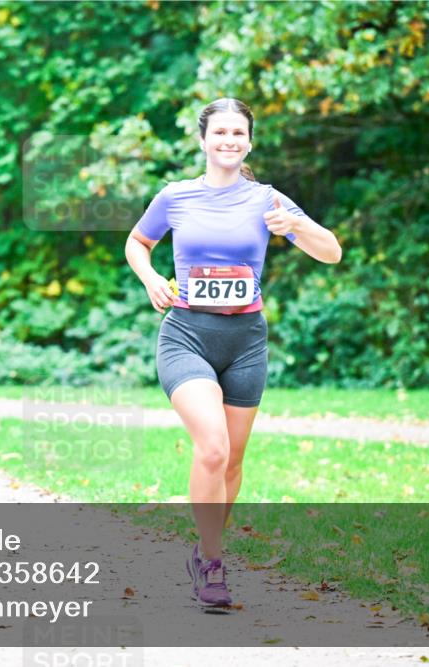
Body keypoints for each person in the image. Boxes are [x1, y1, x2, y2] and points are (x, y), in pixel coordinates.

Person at [125, 98, 342, 607]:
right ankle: (215, 564)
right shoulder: (174, 197)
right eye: (219, 132)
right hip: (187, 336)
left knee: (232, 462)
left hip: (246, 342)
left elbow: (331, 251)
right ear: (203, 140)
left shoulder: (268, 200)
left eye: (237, 133)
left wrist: (297, 228)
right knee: (214, 448)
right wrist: (152, 279)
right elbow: (138, 243)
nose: (228, 140)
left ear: (249, 141)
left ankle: (203, 551)